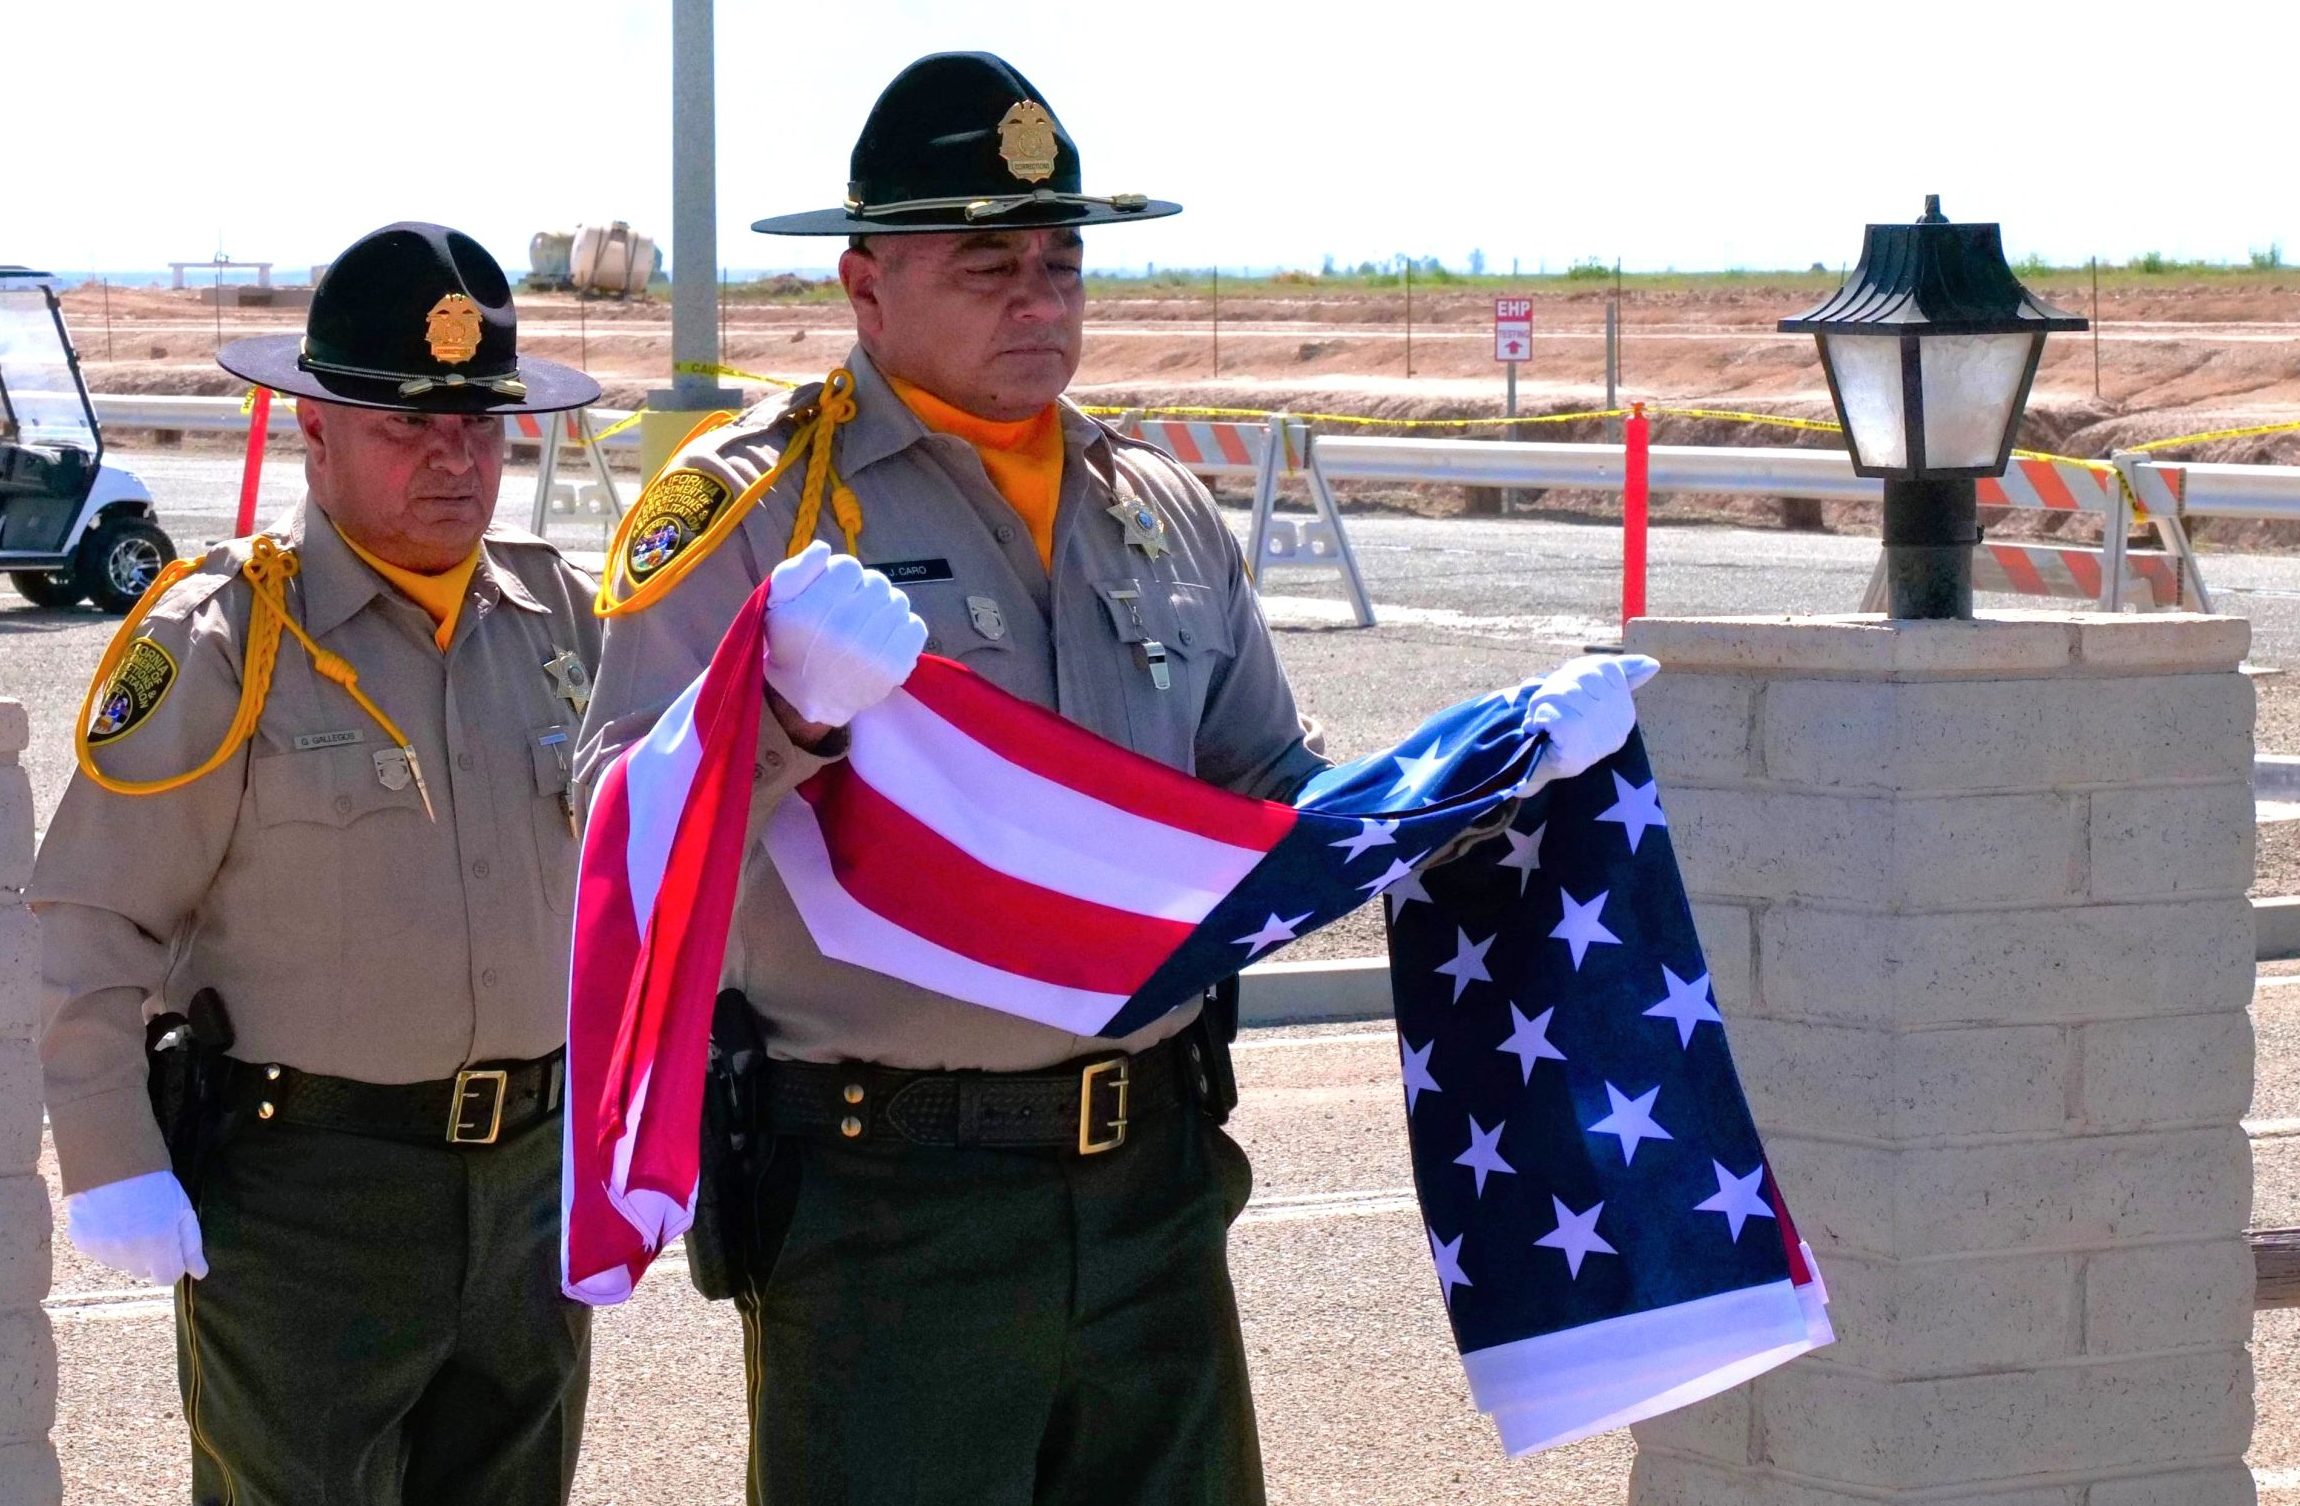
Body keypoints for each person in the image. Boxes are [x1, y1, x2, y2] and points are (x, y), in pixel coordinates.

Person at [577, 52, 1639, 1505]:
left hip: (1153, 1177)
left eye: (1060, 259)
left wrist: (1486, 775)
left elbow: (1273, 797)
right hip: (891, 1196)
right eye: (988, 260)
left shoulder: (1157, 505)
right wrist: (781, 718)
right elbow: (608, 817)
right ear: (864, 282)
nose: (1039, 294)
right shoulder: (754, 508)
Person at [33, 223, 604, 1506]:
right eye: (409, 425)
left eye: (479, 421)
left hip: (530, 1186)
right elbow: (86, 921)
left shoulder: (558, 617)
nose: (454, 457)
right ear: (315, 431)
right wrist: (113, 1148)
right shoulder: (221, 638)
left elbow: (657, 855)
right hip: (307, 1202)